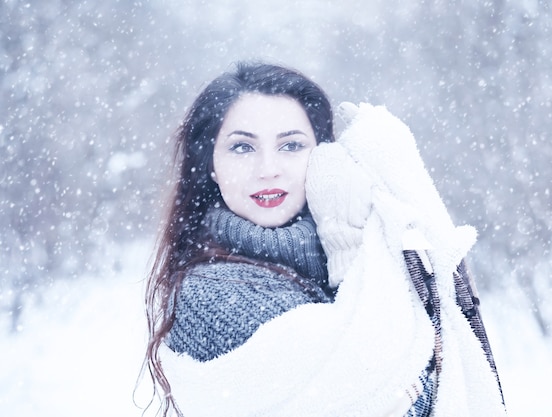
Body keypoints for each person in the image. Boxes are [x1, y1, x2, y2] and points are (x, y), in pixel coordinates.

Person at [142, 61, 506, 417]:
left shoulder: (362, 252)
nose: (269, 168)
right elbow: (402, 400)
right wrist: (351, 249)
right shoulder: (212, 292)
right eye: (242, 147)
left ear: (324, 155)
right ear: (211, 166)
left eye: (291, 146)